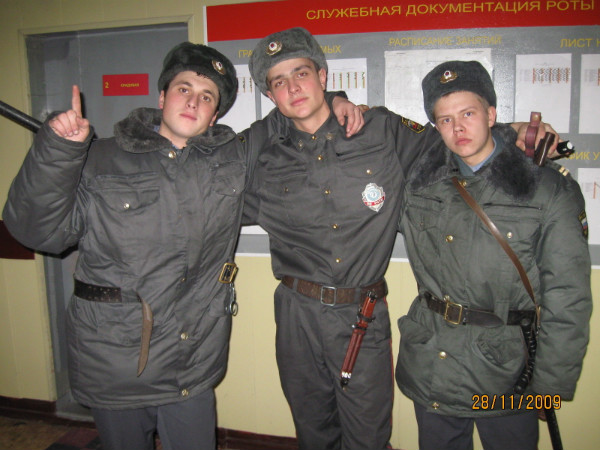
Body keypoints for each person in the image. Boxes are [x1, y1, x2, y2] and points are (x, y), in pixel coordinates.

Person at [2, 39, 365, 449]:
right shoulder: (100, 159)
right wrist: (58, 150)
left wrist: (334, 99)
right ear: (162, 97)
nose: (194, 101)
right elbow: (38, 232)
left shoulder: (231, 159)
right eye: (184, 89)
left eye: (207, 96)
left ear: (215, 115)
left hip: (190, 362)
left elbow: (290, 114)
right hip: (116, 363)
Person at [243, 27, 556, 450]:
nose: (293, 87)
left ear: (322, 75)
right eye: (279, 81)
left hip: (361, 313)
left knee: (368, 436)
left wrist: (510, 132)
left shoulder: (381, 130)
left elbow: (448, 144)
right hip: (296, 314)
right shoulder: (262, 151)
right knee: (313, 431)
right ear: (269, 95)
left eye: (301, 73)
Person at [395, 60, 592, 450]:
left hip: (506, 375)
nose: (458, 128)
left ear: (491, 115)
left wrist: (550, 387)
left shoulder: (546, 190)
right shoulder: (420, 184)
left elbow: (568, 297)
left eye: (468, 114)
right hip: (434, 364)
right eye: (446, 119)